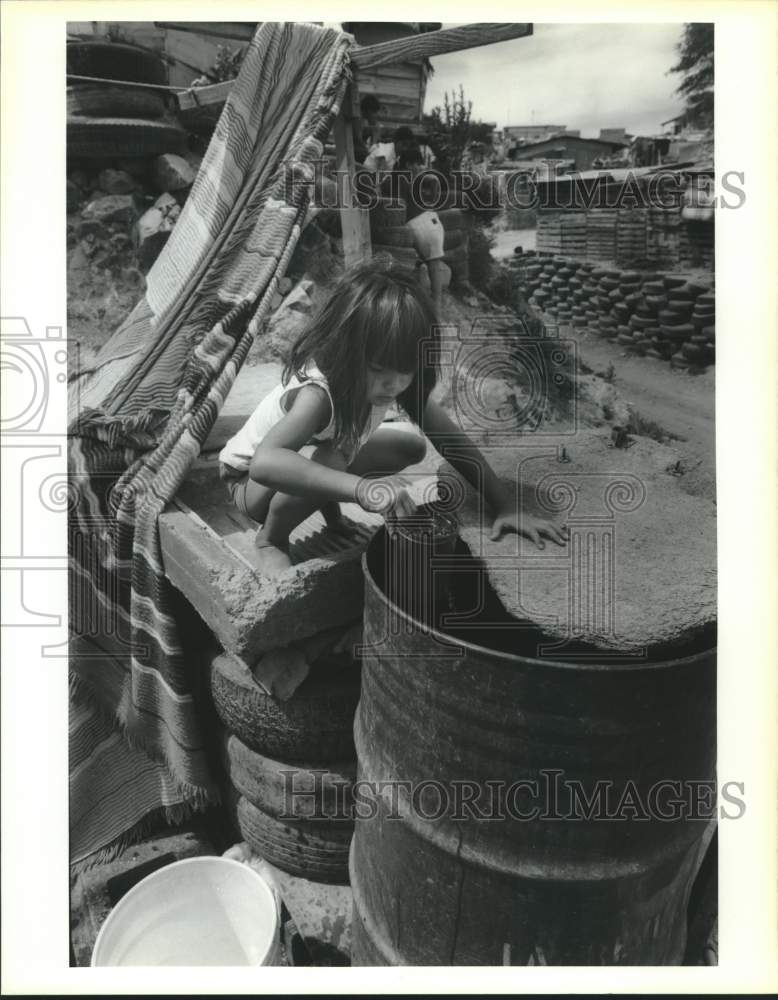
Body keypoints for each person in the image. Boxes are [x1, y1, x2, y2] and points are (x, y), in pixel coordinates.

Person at [218, 262, 568, 577]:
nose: (395, 384)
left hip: (311, 457)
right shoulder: (317, 395)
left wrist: (506, 505)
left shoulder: (394, 378)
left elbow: (451, 440)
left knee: (409, 446)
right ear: (346, 352)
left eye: (406, 371)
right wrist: (362, 490)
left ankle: (329, 513)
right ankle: (272, 540)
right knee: (333, 456)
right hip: (248, 485)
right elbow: (266, 463)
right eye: (378, 370)